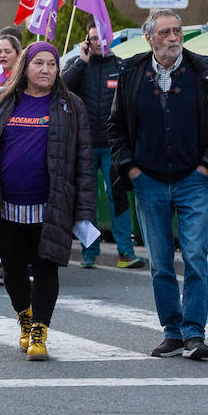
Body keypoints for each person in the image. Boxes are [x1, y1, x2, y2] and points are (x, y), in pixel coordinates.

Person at [109, 10, 208, 361]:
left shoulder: (207, 72)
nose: (173, 37)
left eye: (177, 30)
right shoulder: (133, 73)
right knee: (161, 262)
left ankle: (195, 334)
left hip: (193, 181)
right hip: (148, 181)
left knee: (195, 256)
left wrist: (205, 167)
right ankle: (172, 332)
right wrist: (131, 170)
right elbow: (116, 127)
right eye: (165, 32)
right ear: (149, 37)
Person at [0, 41, 96, 361]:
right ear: (26, 66)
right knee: (12, 271)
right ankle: (24, 317)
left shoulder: (70, 105)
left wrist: (84, 208)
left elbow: (84, 159)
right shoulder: (2, 99)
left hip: (52, 205)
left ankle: (39, 331)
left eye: (52, 64)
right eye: (39, 63)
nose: (46, 70)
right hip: (6, 204)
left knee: (48, 267)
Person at [64, 24, 145, 271]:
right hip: (84, 146)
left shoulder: (121, 67)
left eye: (103, 37)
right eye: (94, 38)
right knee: (86, 199)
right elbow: (62, 87)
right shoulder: (79, 66)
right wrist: (81, 62)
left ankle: (125, 253)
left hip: (113, 147)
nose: (99, 42)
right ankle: (89, 253)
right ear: (87, 42)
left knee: (117, 197)